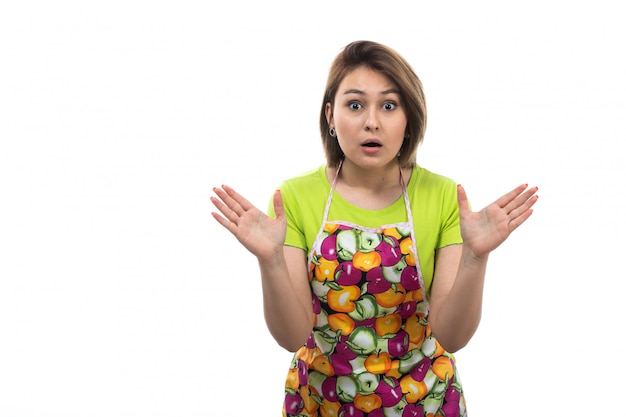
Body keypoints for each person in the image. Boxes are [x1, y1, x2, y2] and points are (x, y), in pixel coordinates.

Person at [210, 40, 538, 417]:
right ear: (330, 116)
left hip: (426, 401)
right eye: (355, 104)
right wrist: (270, 262)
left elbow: (452, 336)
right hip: (322, 404)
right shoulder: (295, 198)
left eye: (388, 105)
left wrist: (475, 258)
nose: (372, 121)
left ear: (408, 118)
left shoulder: (444, 195)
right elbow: (292, 336)